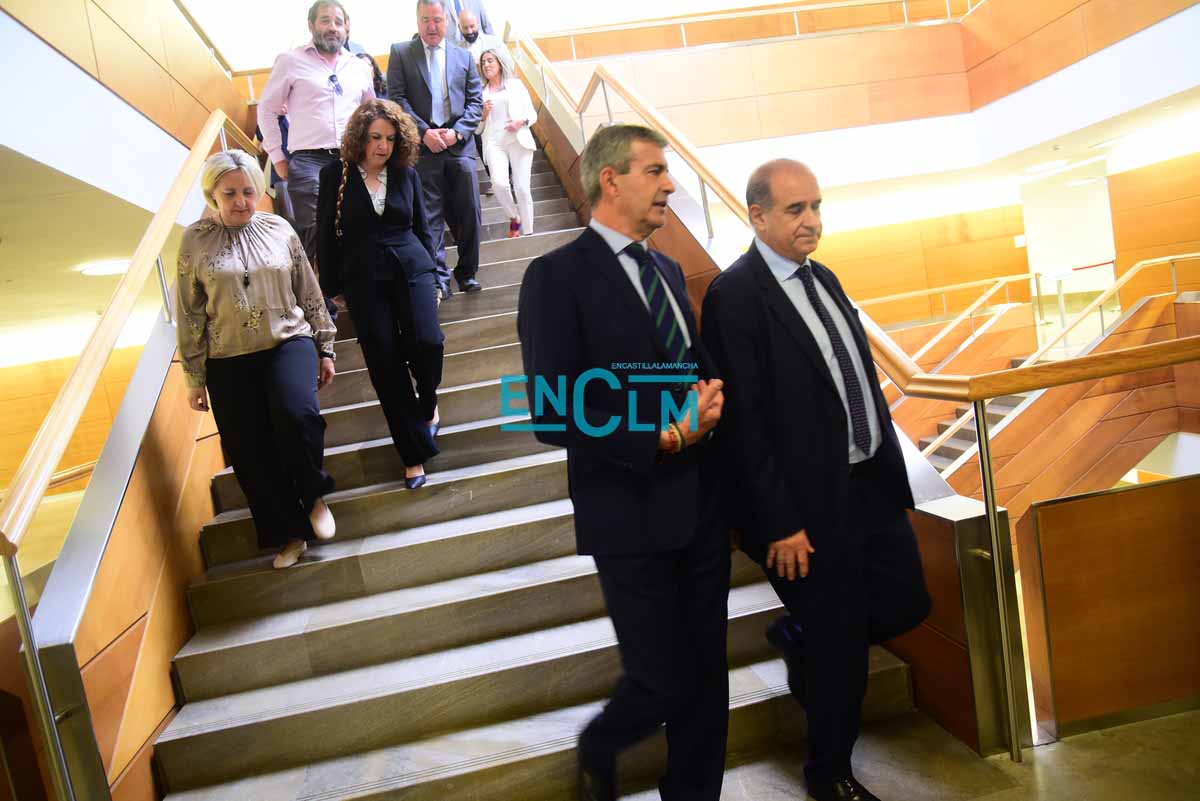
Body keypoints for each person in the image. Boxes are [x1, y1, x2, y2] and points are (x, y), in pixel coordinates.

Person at [701, 159, 931, 801]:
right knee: (842, 650)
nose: (812, 221)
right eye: (796, 209)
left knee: (907, 603)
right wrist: (780, 523)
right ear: (758, 216)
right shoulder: (734, 295)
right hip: (802, 507)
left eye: (817, 206)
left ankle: (797, 635)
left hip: (868, 485)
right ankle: (828, 776)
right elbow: (743, 426)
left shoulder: (823, 277)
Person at [517, 124, 728, 801]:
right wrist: (663, 437)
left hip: (700, 507)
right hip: (628, 515)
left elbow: (690, 368)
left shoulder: (666, 269)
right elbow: (553, 409)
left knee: (708, 676)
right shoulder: (554, 277)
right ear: (610, 179)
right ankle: (602, 745)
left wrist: (713, 395)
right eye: (655, 171)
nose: (670, 185)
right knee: (661, 674)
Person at [177, 150, 339, 570]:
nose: (241, 201)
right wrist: (194, 376)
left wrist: (325, 346)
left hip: (288, 340)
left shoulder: (279, 228)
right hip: (227, 358)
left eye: (248, 191)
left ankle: (312, 493)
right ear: (212, 194)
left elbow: (308, 290)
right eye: (230, 193)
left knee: (298, 416)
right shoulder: (194, 240)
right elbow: (190, 312)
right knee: (250, 451)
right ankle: (289, 534)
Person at [315, 100, 444, 490]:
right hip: (363, 279)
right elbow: (325, 235)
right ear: (360, 137)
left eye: (390, 138)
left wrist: (437, 277)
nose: (383, 146)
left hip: (412, 268)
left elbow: (423, 228)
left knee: (428, 342)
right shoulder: (334, 175)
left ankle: (429, 404)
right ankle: (412, 455)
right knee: (385, 364)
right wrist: (332, 289)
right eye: (375, 137)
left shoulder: (406, 174)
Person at [257, 1, 375, 259]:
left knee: (358, 230)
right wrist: (278, 157)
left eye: (338, 22)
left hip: (352, 159)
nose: (332, 27)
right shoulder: (290, 61)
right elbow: (266, 110)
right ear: (311, 25)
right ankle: (324, 285)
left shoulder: (358, 67)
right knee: (319, 231)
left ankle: (356, 284)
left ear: (346, 28)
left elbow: (373, 115)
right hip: (309, 162)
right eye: (325, 20)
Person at [387, 0, 485, 300]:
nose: (432, 26)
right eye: (426, 19)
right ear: (417, 20)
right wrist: (423, 132)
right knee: (428, 218)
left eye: (438, 20)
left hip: (458, 146)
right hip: (422, 148)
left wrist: (457, 133)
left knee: (469, 210)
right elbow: (397, 99)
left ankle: (466, 273)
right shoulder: (401, 53)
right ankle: (439, 279)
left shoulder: (463, 57)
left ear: (447, 22)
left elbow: (475, 102)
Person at [477, 49, 537, 237]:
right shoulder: (480, 93)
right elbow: (477, 130)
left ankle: (528, 233)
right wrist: (483, 114)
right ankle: (514, 217)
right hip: (494, 144)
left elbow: (532, 114)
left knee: (522, 188)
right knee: (499, 184)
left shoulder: (515, 85)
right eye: (483, 62)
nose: (486, 65)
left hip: (518, 140)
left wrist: (521, 122)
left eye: (490, 61)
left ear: (499, 63)